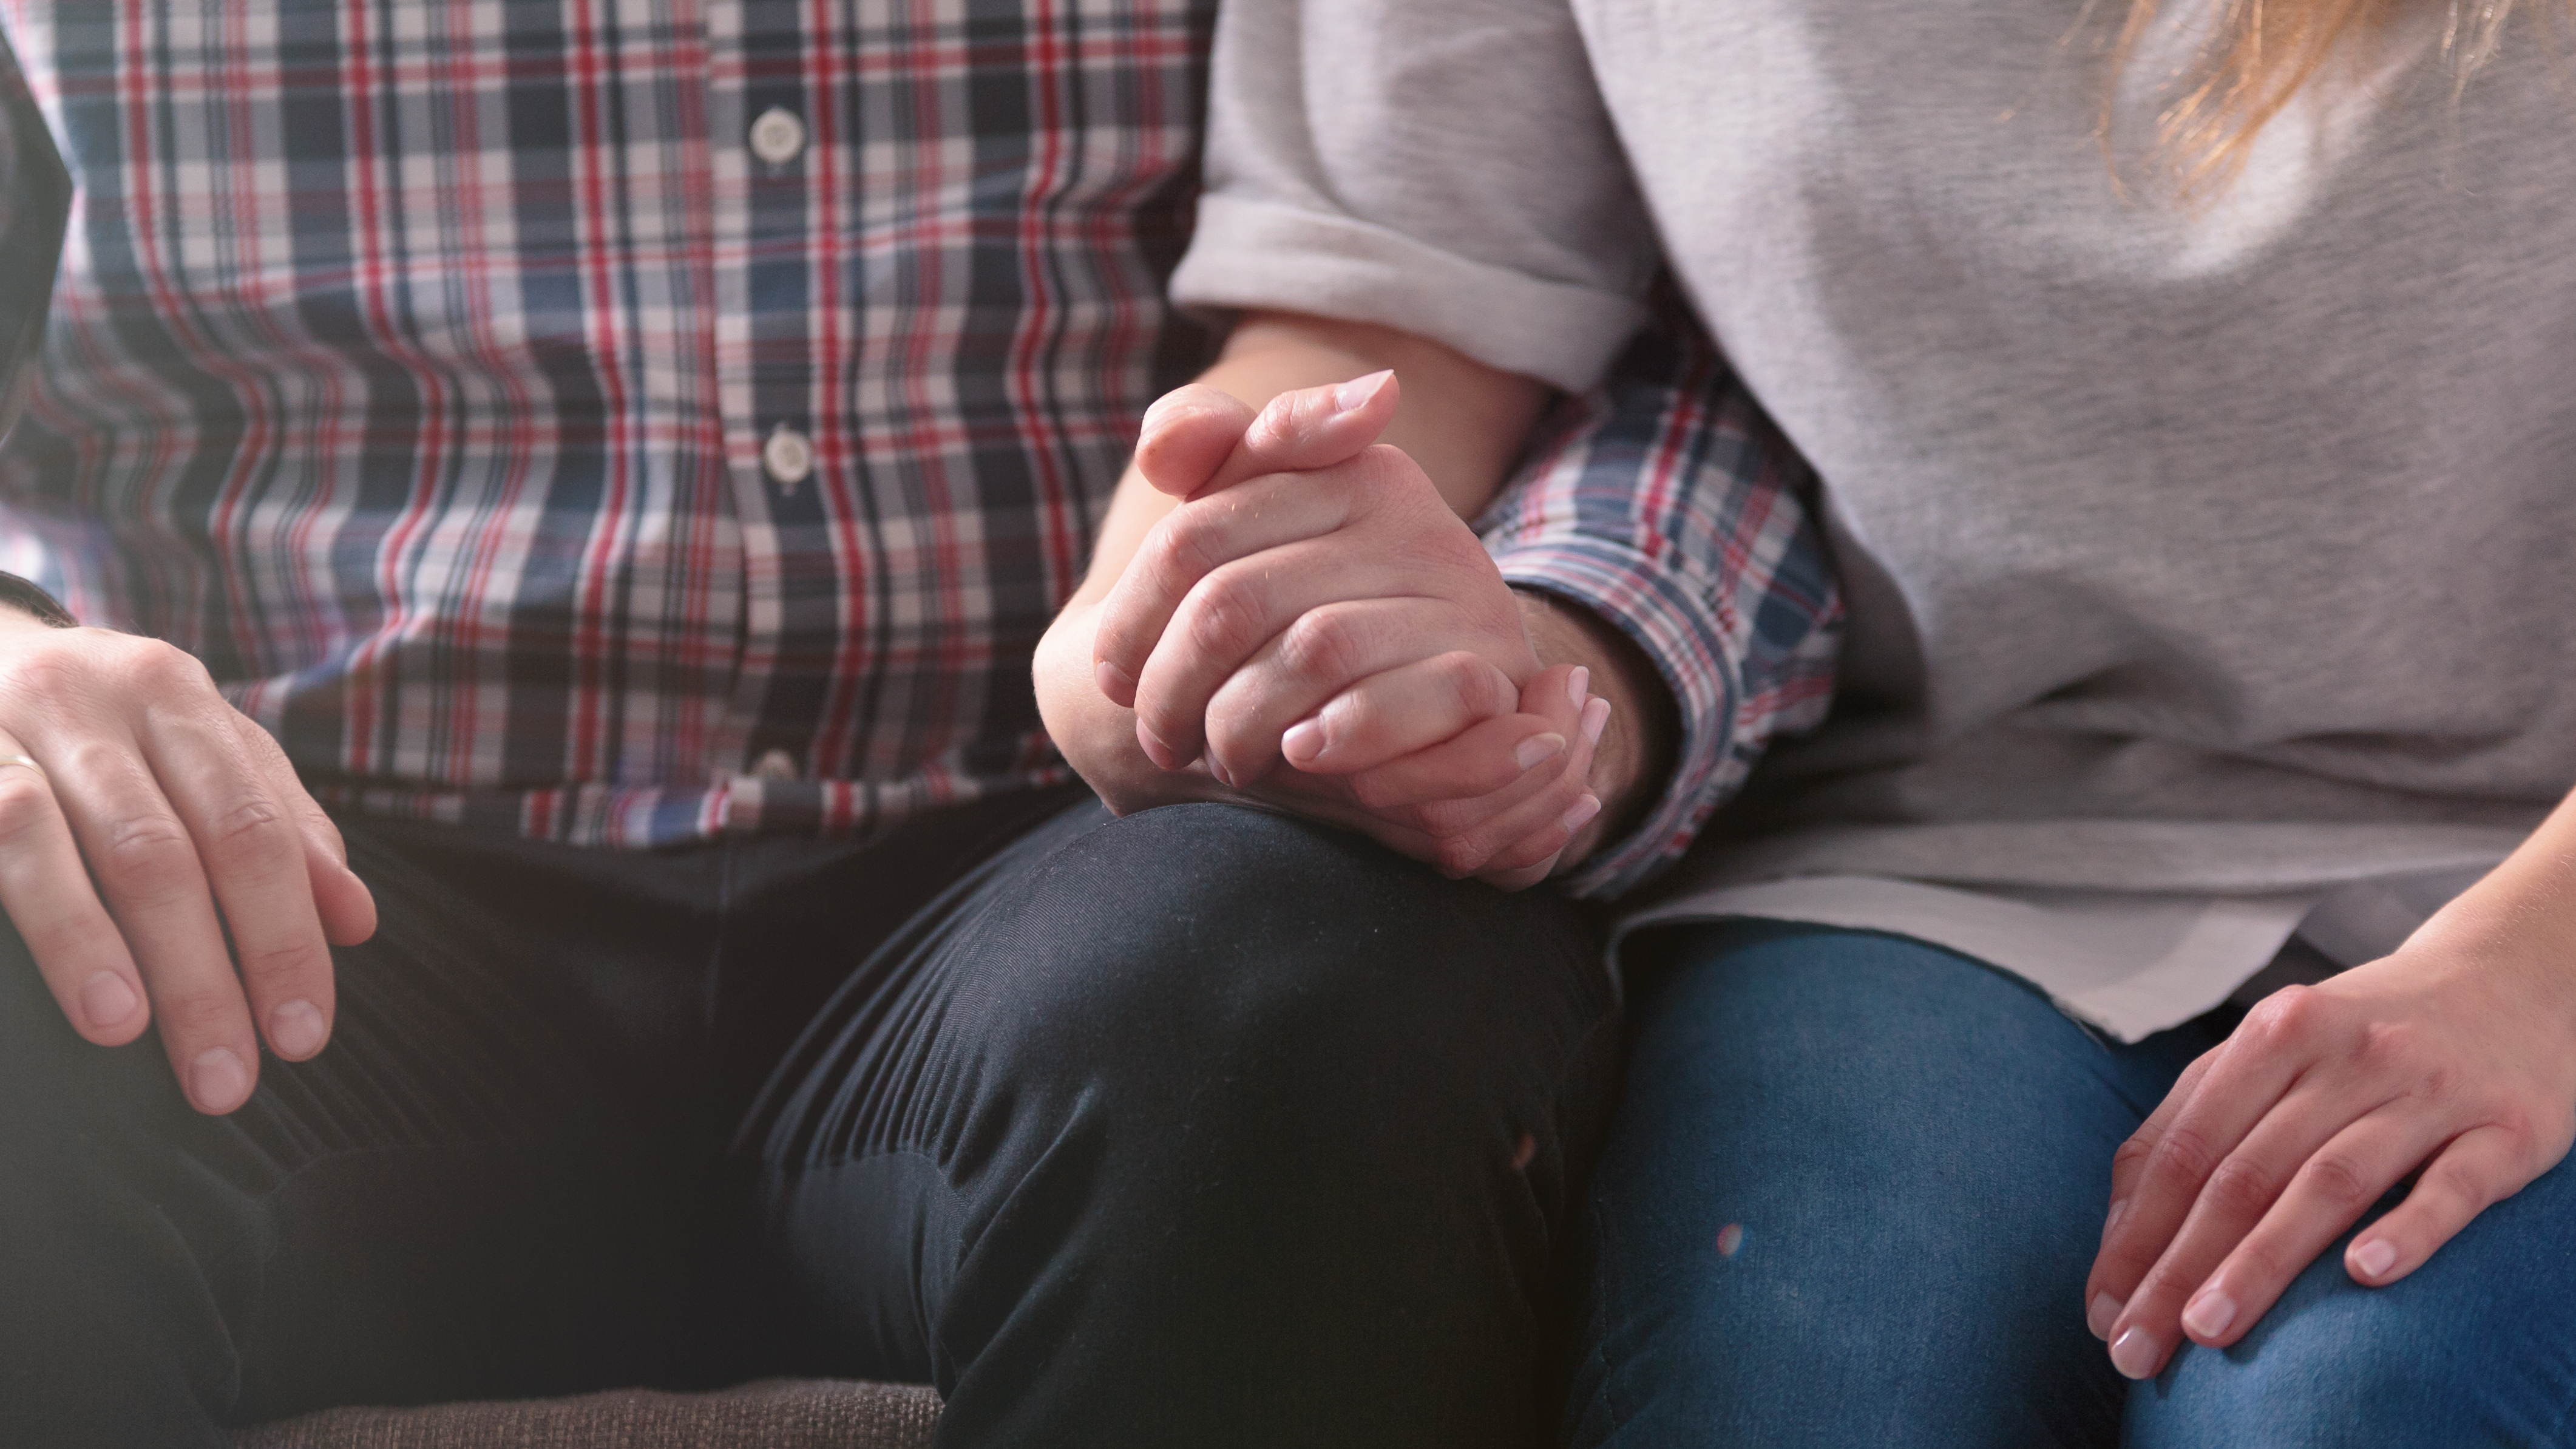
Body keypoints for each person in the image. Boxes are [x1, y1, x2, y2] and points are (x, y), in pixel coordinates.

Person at [0, 3, 1842, 1445]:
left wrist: (1539, 656)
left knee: (1283, 993)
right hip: (304, 881)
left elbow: (1704, 272)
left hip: (1078, 850)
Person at [1150, 0, 2576, 1444]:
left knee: (2354, 1403)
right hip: (1939, 857)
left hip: (2531, 877)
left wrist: (2540, 970)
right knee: (1813, 1388)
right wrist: (1242, 615)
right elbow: (1393, 322)